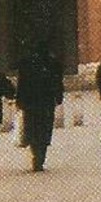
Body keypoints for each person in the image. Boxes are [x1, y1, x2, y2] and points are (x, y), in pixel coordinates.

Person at [14, 42, 65, 172]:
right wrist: (58, 97)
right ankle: (40, 157)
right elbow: (58, 82)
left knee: (32, 127)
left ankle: (35, 154)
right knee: (44, 128)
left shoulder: (26, 63)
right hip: (46, 102)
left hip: (30, 102)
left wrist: (19, 101)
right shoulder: (53, 63)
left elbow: (21, 83)